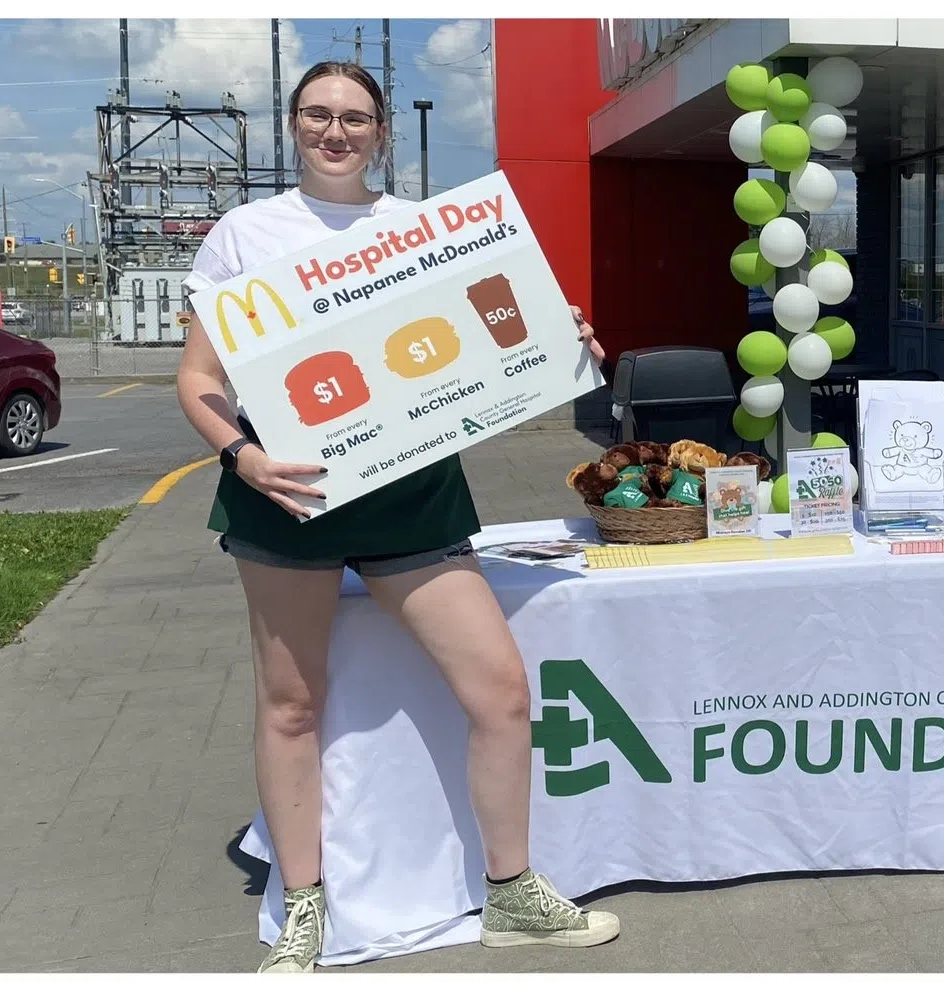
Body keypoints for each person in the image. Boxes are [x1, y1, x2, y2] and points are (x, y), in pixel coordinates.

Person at [174, 61, 616, 973]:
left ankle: (511, 891)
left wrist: (556, 339)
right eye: (318, 114)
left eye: (354, 118)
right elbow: (199, 378)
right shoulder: (245, 233)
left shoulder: (422, 229)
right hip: (286, 492)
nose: (335, 131)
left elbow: (491, 341)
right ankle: (304, 908)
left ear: (381, 132)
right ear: (293, 124)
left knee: (501, 692)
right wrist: (242, 457)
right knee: (291, 704)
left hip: (412, 490)